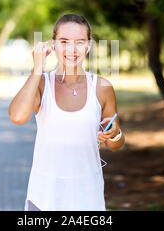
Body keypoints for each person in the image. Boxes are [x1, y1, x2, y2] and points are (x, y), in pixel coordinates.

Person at [8, 13, 125, 211]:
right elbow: (18, 117)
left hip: (87, 196)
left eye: (79, 42)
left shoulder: (102, 87)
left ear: (88, 46)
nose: (72, 49)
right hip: (43, 196)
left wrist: (114, 133)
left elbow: (116, 144)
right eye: (64, 41)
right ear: (52, 45)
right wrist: (37, 69)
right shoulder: (42, 84)